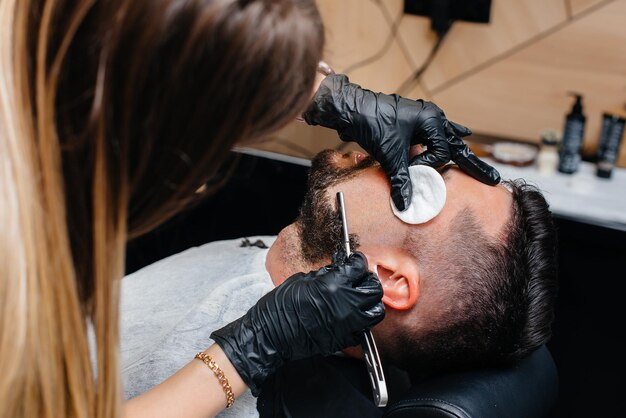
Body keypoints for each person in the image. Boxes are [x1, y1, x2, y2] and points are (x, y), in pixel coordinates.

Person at [0, 1, 501, 417]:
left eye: (420, 180)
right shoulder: (16, 220)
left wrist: (330, 97)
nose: (380, 157)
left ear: (391, 278)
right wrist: (246, 351)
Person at [118, 147, 557, 417]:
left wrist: (246, 349)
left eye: (425, 179)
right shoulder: (297, 254)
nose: (393, 153)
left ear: (386, 279)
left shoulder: (249, 395)